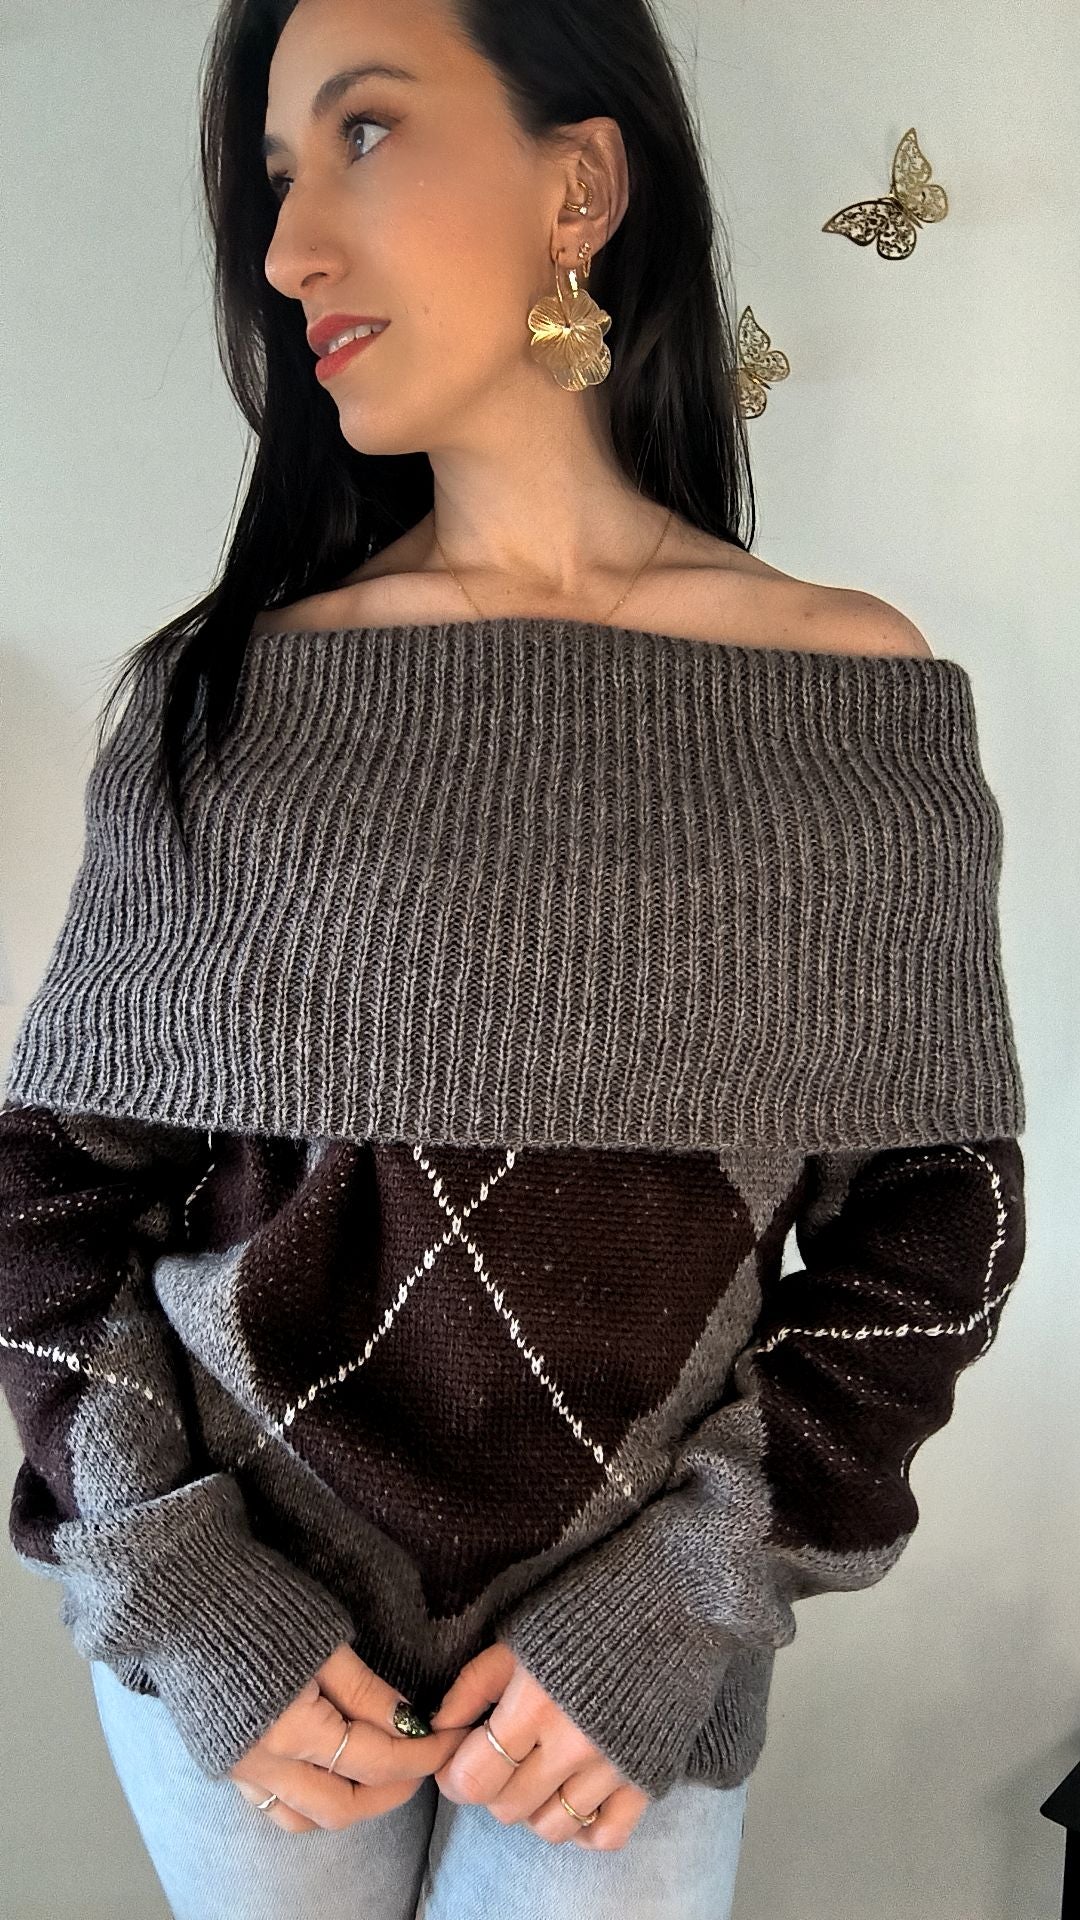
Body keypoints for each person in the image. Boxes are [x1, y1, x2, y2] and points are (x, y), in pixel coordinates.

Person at [0, 0, 1027, 1915]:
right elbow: (42, 1191)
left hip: (630, 1676)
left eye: (364, 134)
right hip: (247, 1658)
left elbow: (936, 1222)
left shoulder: (854, 701)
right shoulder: (222, 701)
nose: (288, 248)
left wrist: (692, 1596)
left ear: (582, 184)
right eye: (275, 177)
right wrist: (175, 1581)